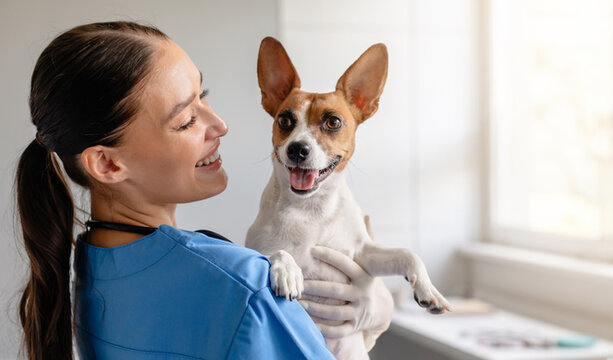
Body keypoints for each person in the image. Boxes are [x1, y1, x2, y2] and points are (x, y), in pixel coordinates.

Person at [15, 21, 392, 359]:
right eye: (186, 120)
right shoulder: (248, 288)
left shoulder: (88, 266)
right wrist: (373, 323)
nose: (221, 124)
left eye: (203, 94)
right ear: (108, 164)